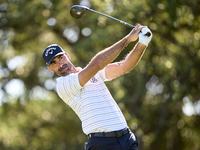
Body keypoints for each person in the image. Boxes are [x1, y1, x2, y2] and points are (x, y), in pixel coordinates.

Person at [42, 24, 152, 150]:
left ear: (67, 55)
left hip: (126, 138)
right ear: (50, 69)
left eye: (61, 57)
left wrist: (143, 42)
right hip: (103, 144)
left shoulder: (92, 73)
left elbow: (124, 67)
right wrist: (127, 39)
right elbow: (97, 64)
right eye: (54, 63)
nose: (60, 64)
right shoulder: (63, 85)